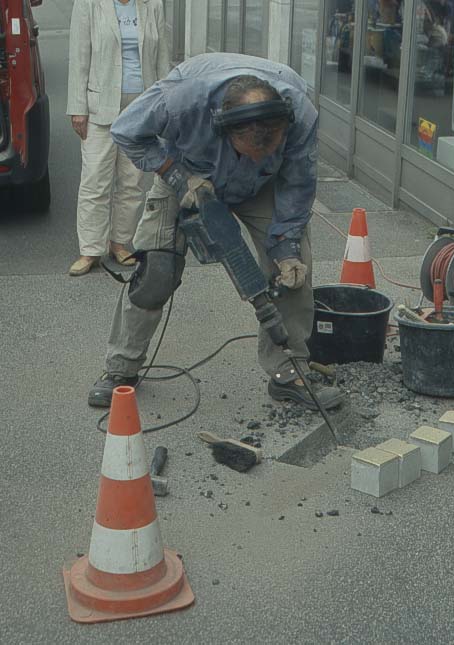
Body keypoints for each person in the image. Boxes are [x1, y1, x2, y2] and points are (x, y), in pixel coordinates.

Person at [87, 53, 344, 411]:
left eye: (267, 150)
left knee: (293, 272)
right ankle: (121, 369)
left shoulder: (300, 113)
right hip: (189, 176)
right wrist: (177, 176)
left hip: (263, 187)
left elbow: (299, 182)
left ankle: (289, 371)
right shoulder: (180, 101)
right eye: (251, 150)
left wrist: (285, 247)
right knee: (156, 273)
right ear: (225, 129)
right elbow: (126, 131)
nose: (257, 156)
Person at [66, 0, 170, 276]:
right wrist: (78, 108)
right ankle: (90, 249)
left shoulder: (152, 5)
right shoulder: (89, 4)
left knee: (132, 181)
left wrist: (166, 106)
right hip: (100, 108)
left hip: (140, 109)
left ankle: (120, 243)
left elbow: (162, 58)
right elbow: (79, 56)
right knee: (94, 180)